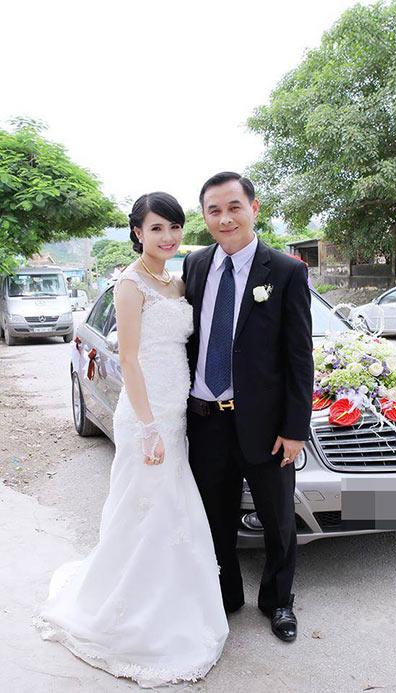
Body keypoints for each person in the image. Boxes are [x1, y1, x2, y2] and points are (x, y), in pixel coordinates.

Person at [35, 192, 228, 687]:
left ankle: (173, 602)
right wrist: (148, 427)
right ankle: (129, 615)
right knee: (144, 512)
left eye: (175, 227)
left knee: (173, 512)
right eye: (157, 228)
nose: (168, 236)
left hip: (176, 413)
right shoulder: (129, 283)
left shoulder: (176, 281)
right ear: (138, 233)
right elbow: (130, 358)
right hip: (147, 417)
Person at [182, 172, 314, 642]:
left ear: (254, 208)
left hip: (266, 425)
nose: (225, 218)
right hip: (206, 421)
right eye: (214, 210)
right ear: (204, 217)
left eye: (234, 207)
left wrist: (295, 428)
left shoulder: (286, 271)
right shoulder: (195, 265)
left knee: (278, 520)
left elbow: (299, 356)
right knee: (214, 519)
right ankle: (226, 595)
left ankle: (278, 601)